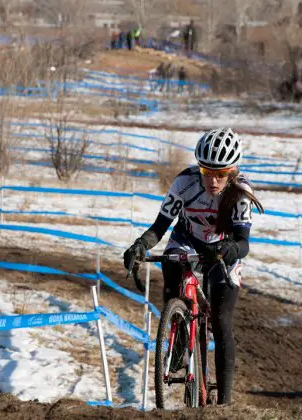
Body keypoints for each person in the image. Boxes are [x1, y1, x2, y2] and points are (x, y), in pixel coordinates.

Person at [123, 128, 264, 405]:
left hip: (223, 249)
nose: (212, 180)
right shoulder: (185, 183)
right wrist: (140, 245)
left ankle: (224, 403)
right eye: (206, 170)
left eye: (220, 173)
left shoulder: (241, 192)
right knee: (172, 269)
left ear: (232, 171)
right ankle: (175, 331)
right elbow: (160, 227)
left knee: (222, 321)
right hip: (186, 240)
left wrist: (229, 250)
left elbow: (243, 243)